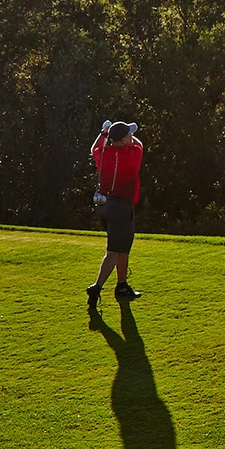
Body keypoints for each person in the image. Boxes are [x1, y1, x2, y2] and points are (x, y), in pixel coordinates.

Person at [88, 121, 145, 310]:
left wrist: (104, 133)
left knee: (122, 248)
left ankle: (122, 285)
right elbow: (139, 144)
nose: (131, 137)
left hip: (105, 206)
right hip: (121, 207)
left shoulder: (104, 155)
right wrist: (122, 137)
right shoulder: (132, 154)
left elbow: (95, 147)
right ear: (122, 141)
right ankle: (96, 287)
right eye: (128, 135)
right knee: (114, 251)